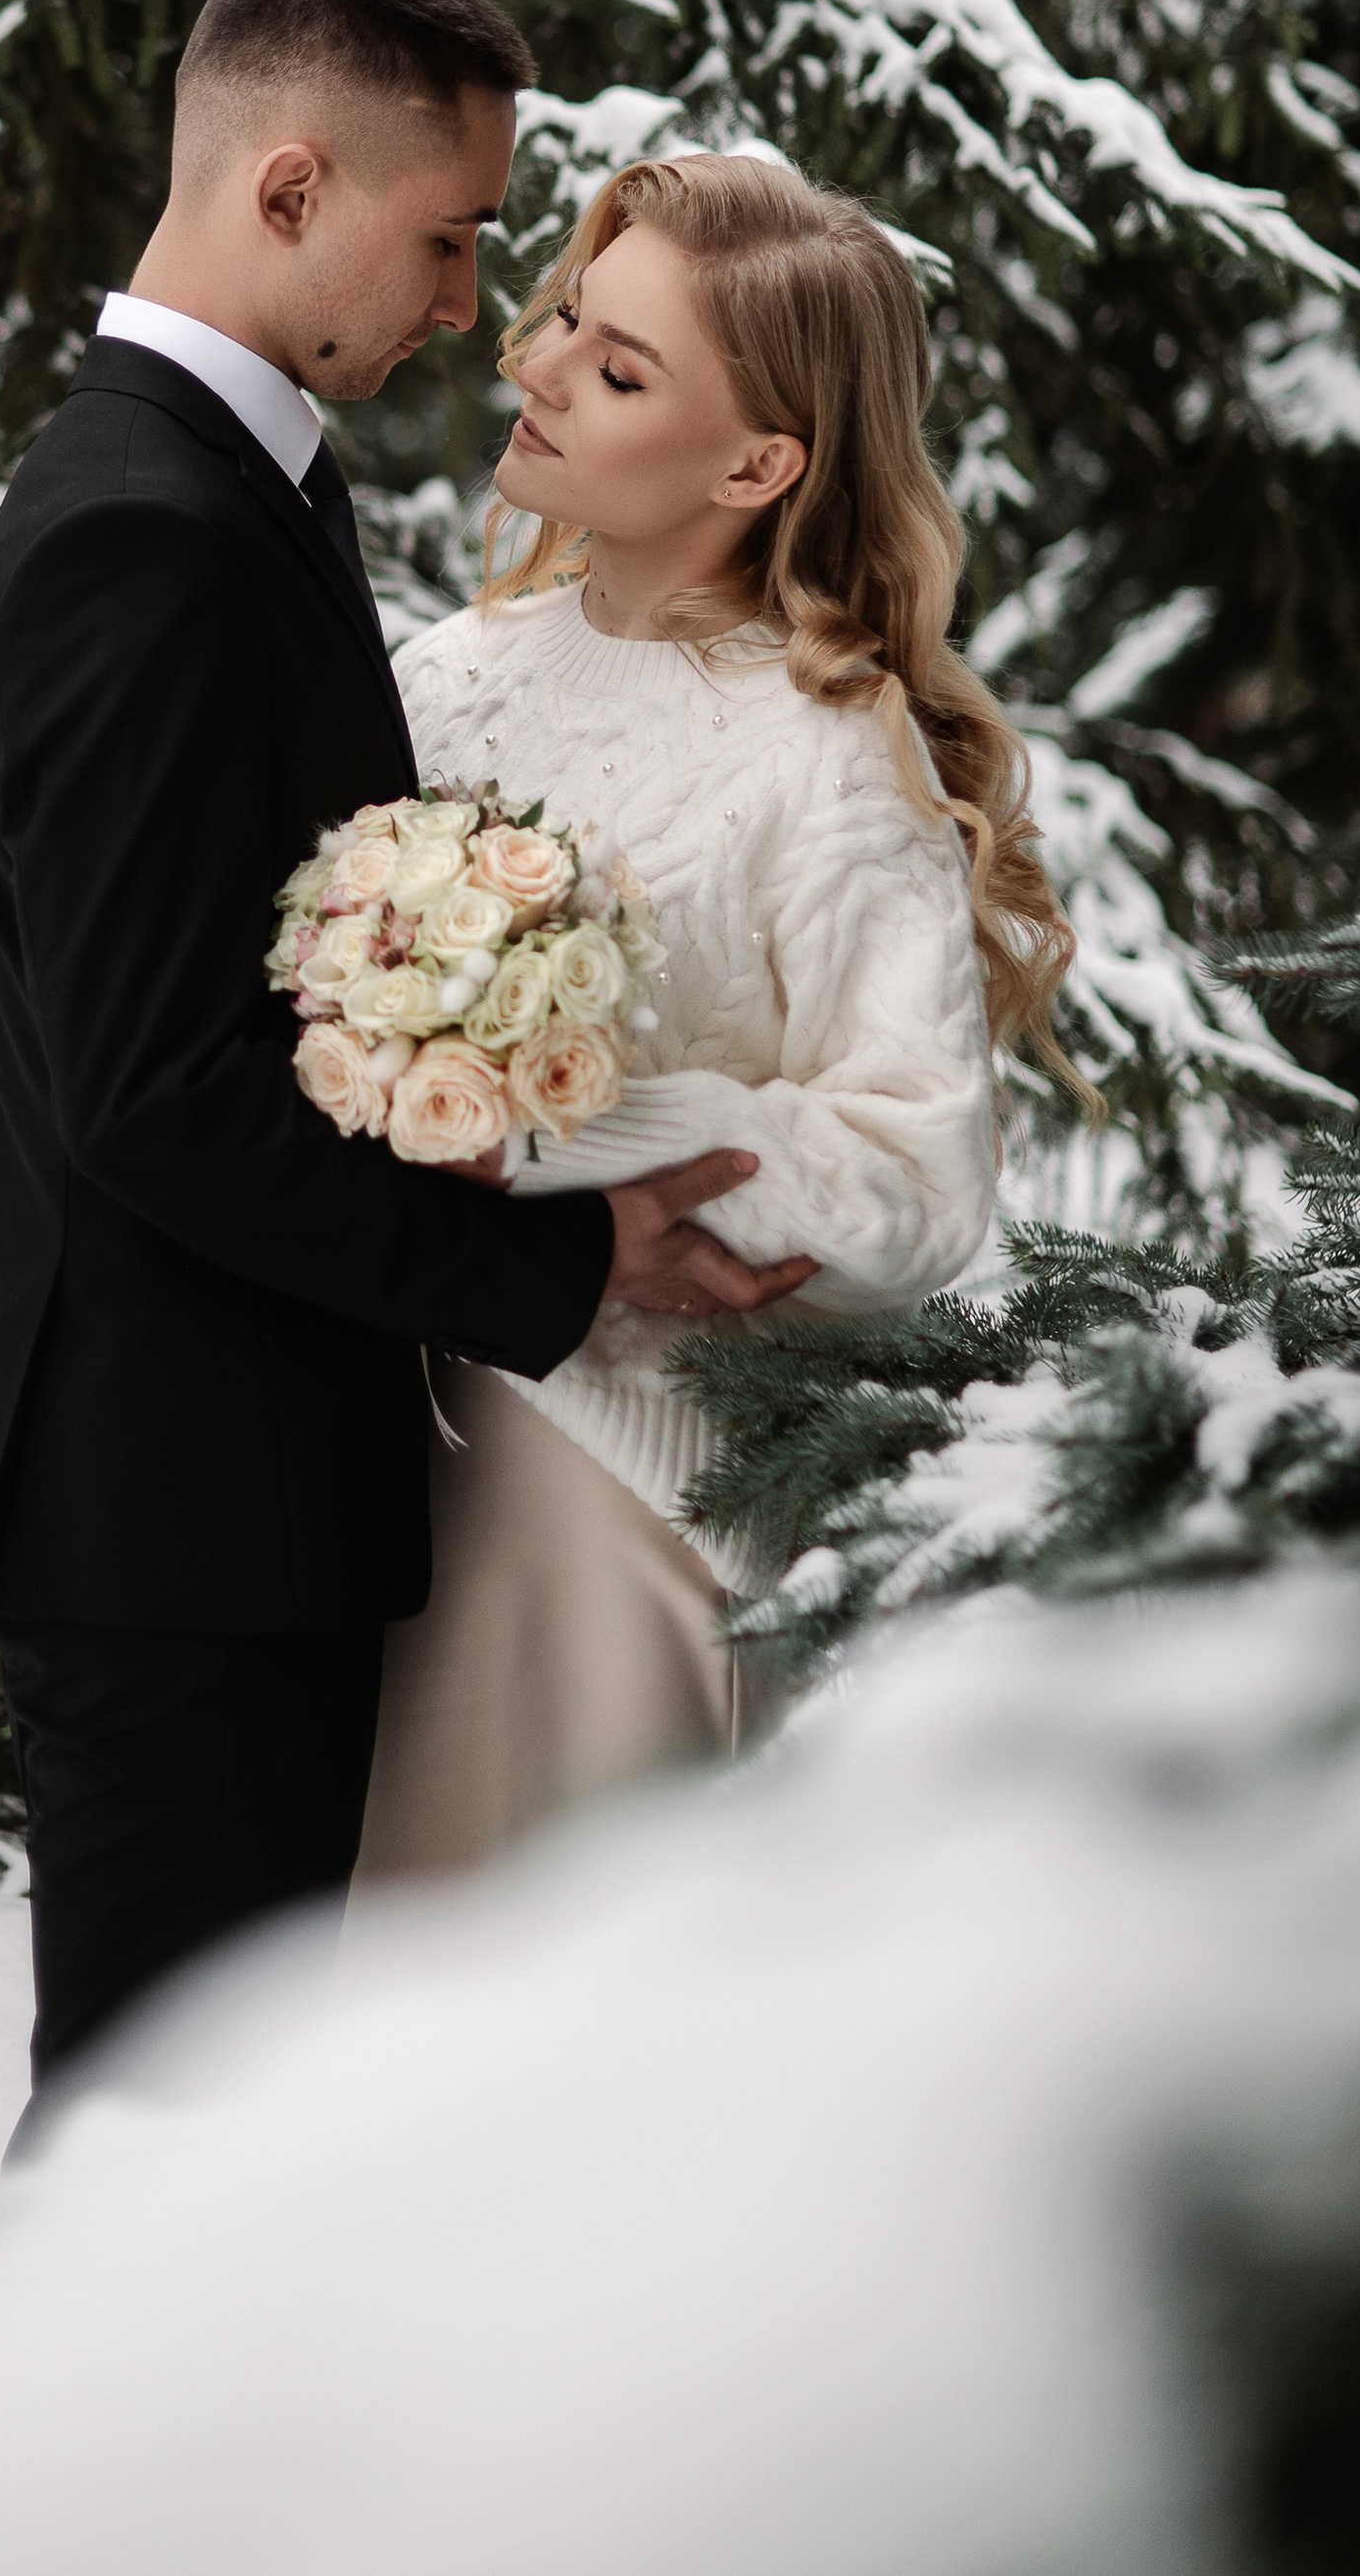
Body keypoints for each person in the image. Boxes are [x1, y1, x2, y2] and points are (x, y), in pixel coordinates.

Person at [0, 0, 815, 2115]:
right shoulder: (144, 535)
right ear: (290, 186)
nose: (465, 303)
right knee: (148, 2139)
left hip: (221, 1478)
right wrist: (553, 1263)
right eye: (446, 238)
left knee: (207, 2136)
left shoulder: (223, 480)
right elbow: (155, 1097)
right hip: (171, 1501)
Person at [354, 150, 1089, 1884]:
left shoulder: (824, 752)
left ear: (758, 465)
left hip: (614, 1492)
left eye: (619, 371)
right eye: (564, 321)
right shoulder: (440, 676)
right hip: (372, 1436)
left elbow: (915, 1180)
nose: (537, 368)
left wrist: (590, 1124)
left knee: (550, 1999)